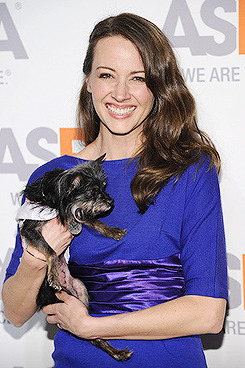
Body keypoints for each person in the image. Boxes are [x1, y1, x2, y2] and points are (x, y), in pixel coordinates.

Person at [2, 13, 228, 368]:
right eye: (106, 75)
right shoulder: (55, 177)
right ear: (88, 81)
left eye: (138, 78)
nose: (120, 93)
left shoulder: (191, 170)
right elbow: (15, 312)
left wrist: (92, 326)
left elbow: (209, 312)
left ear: (158, 86)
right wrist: (37, 257)